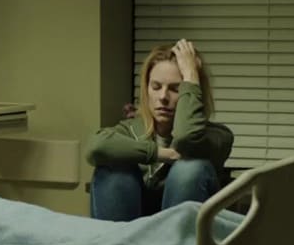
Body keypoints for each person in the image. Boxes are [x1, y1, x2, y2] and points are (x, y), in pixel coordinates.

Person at [84, 39, 234, 221]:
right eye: (156, 87)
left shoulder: (217, 137)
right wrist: (160, 153)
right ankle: (122, 241)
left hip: (182, 234)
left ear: (193, 92)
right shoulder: (130, 130)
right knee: (113, 170)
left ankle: (171, 241)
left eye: (176, 89)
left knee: (189, 168)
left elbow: (186, 137)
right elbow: (95, 147)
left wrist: (191, 75)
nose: (163, 97)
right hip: (131, 231)